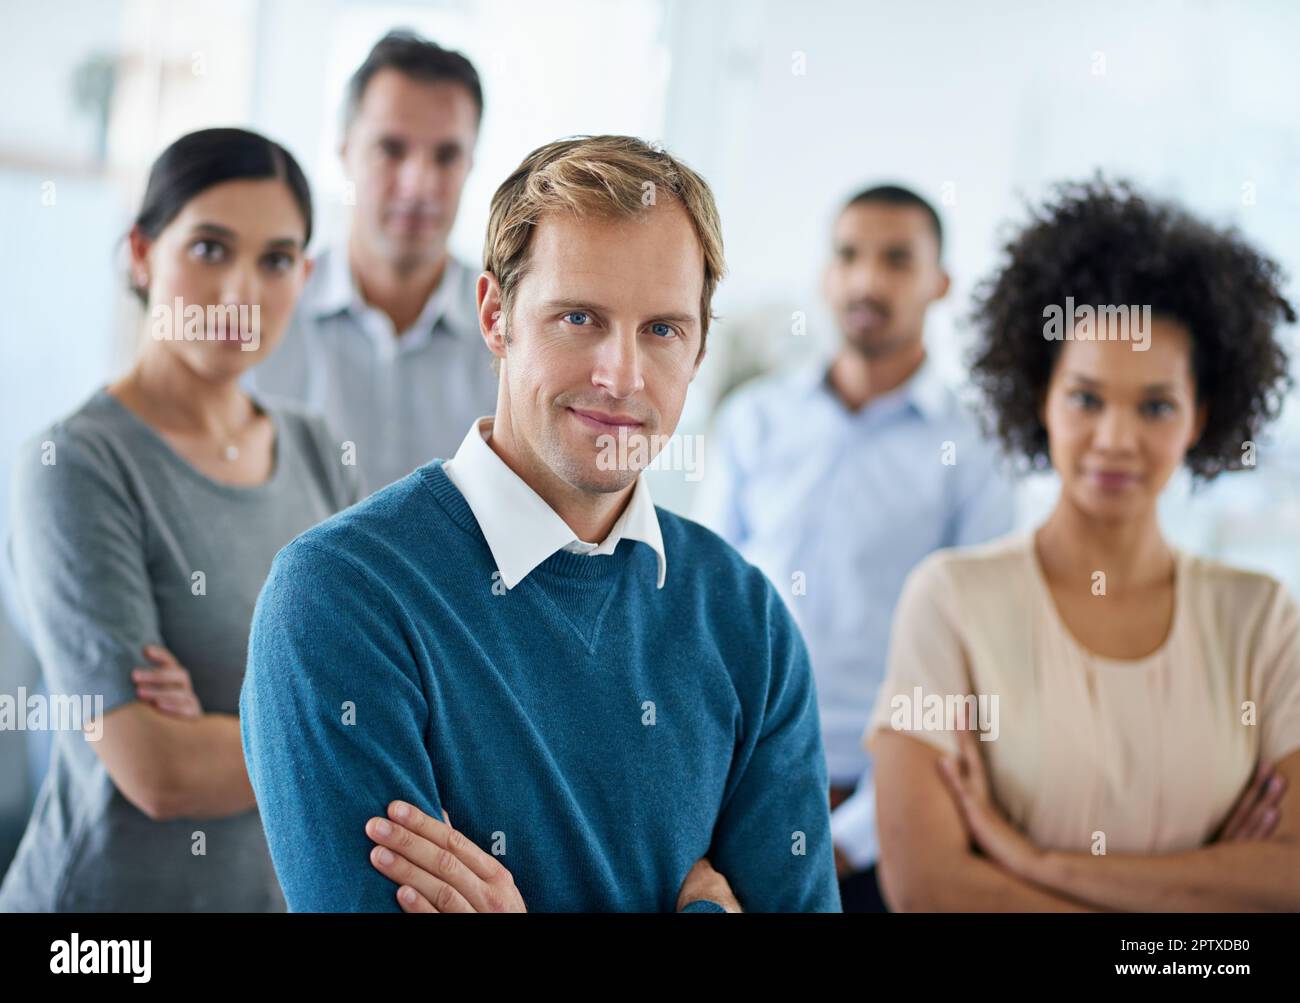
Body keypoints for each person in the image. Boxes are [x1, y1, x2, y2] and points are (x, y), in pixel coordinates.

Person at [240, 135, 841, 913]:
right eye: (579, 317)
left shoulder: (746, 619)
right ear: (496, 316)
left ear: (698, 350)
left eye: (662, 329)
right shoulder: (340, 598)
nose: (621, 376)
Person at [869, 178, 1300, 911]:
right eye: (1086, 397)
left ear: (1202, 416)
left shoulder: (1262, 618)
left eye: (1157, 405)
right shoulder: (949, 600)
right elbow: (928, 887)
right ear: (1040, 396)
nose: (1116, 439)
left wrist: (1037, 861)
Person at [0, 128, 361, 911]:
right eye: (209, 248)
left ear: (303, 275)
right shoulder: (75, 466)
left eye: (275, 260)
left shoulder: (316, 451)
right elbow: (158, 770)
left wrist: (225, 729)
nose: (241, 293)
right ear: (140, 253)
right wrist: (340, 729)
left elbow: (401, 692)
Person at [694, 185, 1014, 909]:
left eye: (897, 259)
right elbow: (700, 617)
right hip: (734, 797)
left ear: (940, 283)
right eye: (849, 255)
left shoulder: (974, 448)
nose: (868, 279)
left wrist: (857, 833)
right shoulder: (755, 421)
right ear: (826, 274)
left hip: (890, 820)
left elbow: (980, 658)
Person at [246, 29, 498, 494]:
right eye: (391, 149)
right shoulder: (261, 320)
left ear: (471, 165)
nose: (419, 184)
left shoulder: (513, 337)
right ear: (344, 151)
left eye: (446, 156)